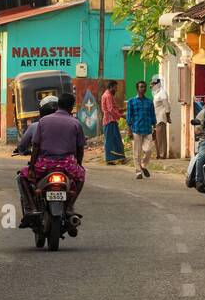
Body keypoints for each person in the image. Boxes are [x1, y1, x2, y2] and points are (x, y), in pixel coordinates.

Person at [18, 92, 86, 231]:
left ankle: (31, 208)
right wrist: (78, 165)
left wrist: (31, 167)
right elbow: (80, 149)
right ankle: (69, 206)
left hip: (45, 164)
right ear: (71, 106)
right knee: (81, 176)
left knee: (22, 178)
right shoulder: (76, 123)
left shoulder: (43, 122)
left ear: (58, 105)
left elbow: (36, 146)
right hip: (67, 165)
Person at [125, 79, 156, 179]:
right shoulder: (131, 101)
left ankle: (143, 165)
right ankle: (138, 172)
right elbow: (129, 116)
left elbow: (153, 115)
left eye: (144, 87)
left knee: (148, 150)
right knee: (137, 152)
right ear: (137, 89)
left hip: (147, 129)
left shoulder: (149, 102)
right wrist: (129, 129)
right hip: (136, 129)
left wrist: (154, 128)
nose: (143, 89)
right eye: (141, 87)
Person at [15, 94, 58, 159]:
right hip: (67, 163)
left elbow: (23, 145)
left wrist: (21, 149)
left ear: (42, 110)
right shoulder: (69, 124)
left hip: (42, 163)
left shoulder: (35, 126)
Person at [100, 80, 126, 165]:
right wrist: (121, 116)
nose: (116, 89)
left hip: (111, 120)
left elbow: (114, 108)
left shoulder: (108, 95)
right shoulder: (108, 96)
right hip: (109, 121)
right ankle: (111, 159)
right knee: (111, 140)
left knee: (115, 139)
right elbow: (111, 110)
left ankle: (118, 157)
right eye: (115, 87)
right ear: (111, 87)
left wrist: (122, 110)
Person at [150, 75, 171, 159]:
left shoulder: (162, 93)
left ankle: (162, 155)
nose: (150, 86)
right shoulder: (156, 93)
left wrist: (168, 117)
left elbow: (167, 107)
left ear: (157, 84)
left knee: (161, 137)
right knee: (155, 137)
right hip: (155, 118)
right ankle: (158, 154)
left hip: (161, 118)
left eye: (152, 84)